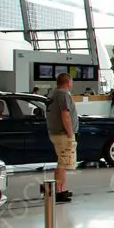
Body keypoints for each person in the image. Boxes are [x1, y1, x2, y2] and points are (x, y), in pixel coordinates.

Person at [46, 73, 78, 203]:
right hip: (63, 134)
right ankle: (59, 191)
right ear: (67, 82)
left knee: (61, 162)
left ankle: (59, 189)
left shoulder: (53, 94)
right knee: (63, 164)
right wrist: (70, 133)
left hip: (55, 133)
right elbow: (65, 115)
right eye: (71, 81)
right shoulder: (63, 95)